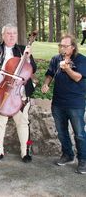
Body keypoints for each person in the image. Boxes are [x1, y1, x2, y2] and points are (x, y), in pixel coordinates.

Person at [0, 24, 37, 163]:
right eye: (8, 33)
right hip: (1, 91)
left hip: (19, 93)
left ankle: (25, 152)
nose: (11, 36)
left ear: (17, 35)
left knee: (23, 122)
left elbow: (33, 69)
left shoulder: (23, 50)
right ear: (3, 35)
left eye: (14, 33)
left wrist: (28, 59)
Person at [41, 34, 86, 174]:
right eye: (61, 45)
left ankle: (83, 160)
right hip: (58, 102)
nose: (63, 48)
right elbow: (49, 74)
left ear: (73, 47)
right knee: (61, 132)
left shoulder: (81, 60)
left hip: (75, 102)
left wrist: (67, 69)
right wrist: (46, 84)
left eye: (66, 46)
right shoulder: (56, 59)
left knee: (79, 133)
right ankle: (68, 155)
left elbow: (78, 77)